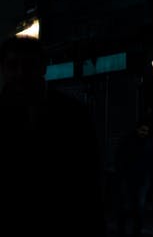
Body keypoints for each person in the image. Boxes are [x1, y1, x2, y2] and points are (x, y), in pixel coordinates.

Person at [0, 35, 106, 235]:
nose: (21, 73)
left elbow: (88, 177)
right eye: (13, 65)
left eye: (28, 65)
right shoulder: (73, 112)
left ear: (42, 67)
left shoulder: (73, 114)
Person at [116, 119, 153, 236]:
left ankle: (134, 229)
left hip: (141, 177)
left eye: (146, 131)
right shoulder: (129, 141)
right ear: (137, 129)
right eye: (143, 130)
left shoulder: (147, 142)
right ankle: (126, 229)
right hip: (129, 176)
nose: (145, 133)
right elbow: (120, 158)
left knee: (137, 204)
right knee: (128, 204)